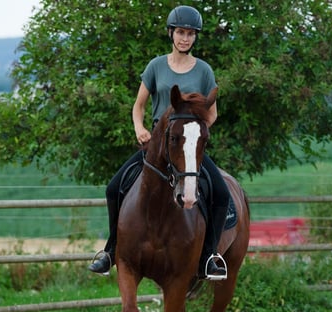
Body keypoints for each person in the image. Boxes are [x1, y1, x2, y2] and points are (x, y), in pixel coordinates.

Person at [88, 5, 230, 281]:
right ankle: (110, 250)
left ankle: (209, 257)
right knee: (114, 188)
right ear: (171, 33)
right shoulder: (155, 66)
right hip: (156, 145)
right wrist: (139, 127)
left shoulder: (203, 71)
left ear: (195, 37)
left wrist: (194, 138)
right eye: (180, 32)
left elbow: (212, 113)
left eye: (190, 34)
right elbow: (138, 106)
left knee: (222, 194)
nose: (185, 38)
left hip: (186, 147)